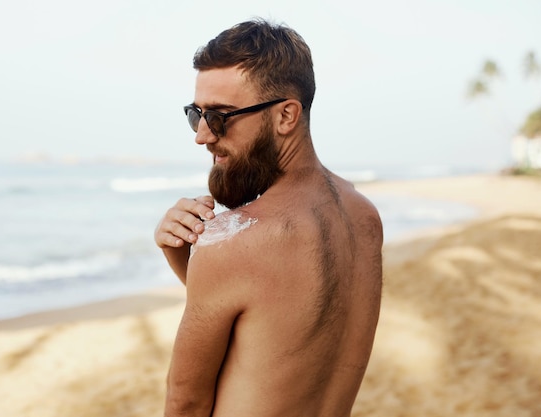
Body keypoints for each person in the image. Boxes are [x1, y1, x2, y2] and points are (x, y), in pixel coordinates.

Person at [154, 19, 383, 417]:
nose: (202, 136)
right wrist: (184, 256)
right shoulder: (363, 216)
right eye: (197, 115)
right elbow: (278, 328)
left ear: (286, 116)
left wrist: (211, 250)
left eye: (220, 116)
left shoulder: (233, 245)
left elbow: (186, 404)